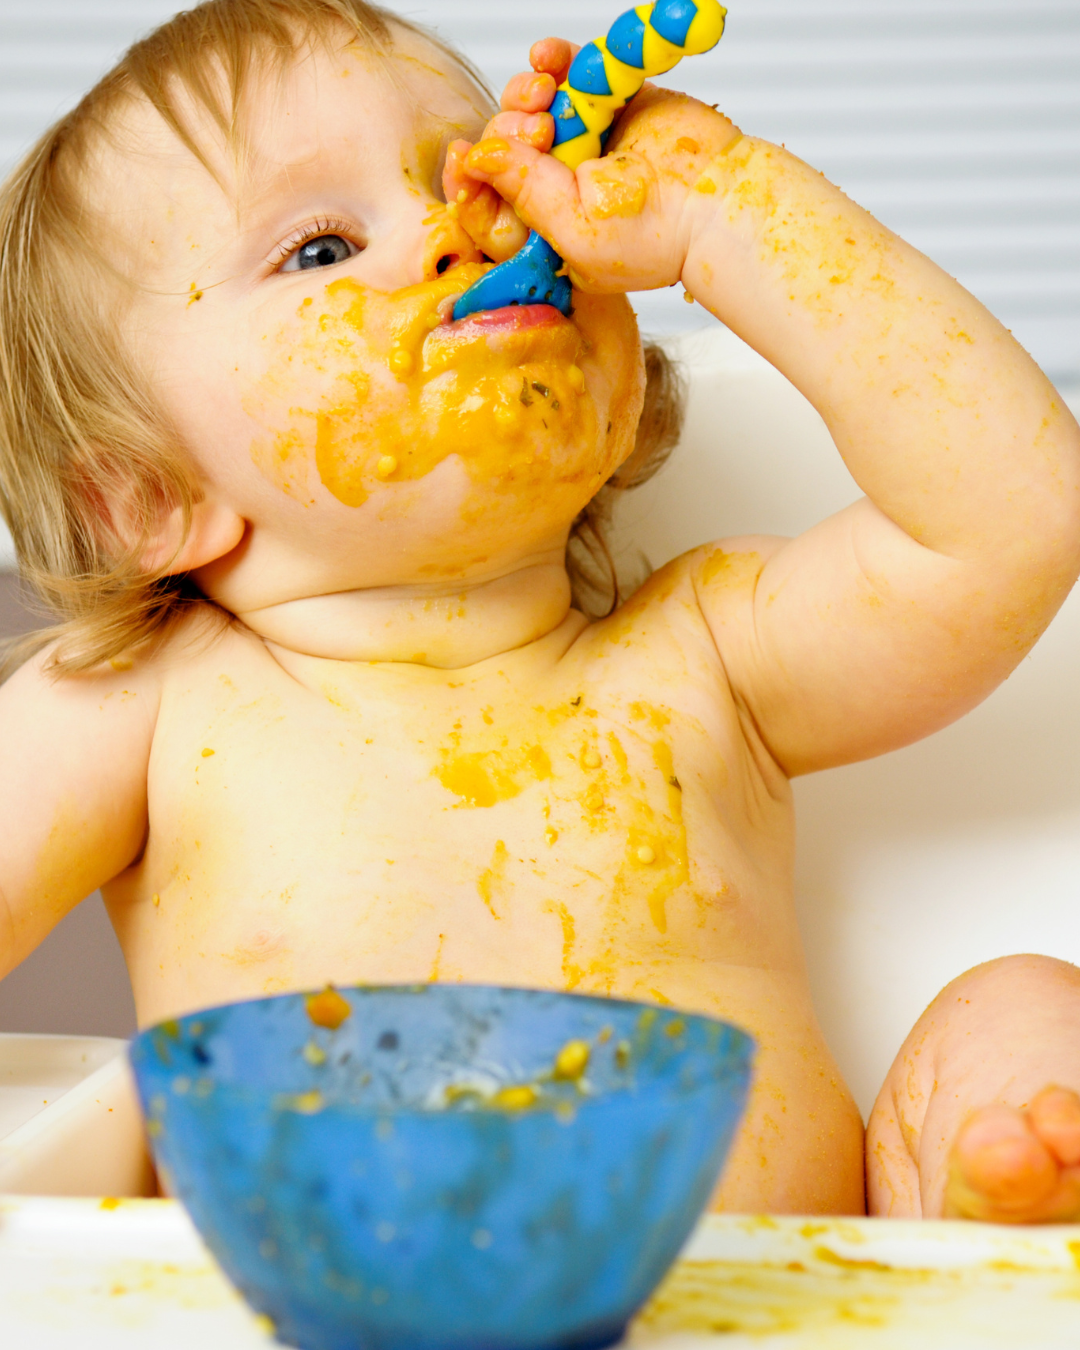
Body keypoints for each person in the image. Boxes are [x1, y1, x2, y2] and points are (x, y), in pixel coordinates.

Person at [1, 0, 1078, 1220]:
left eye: (486, 192)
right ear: (147, 492)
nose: (451, 232)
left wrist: (728, 209)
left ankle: (1002, 1240)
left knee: (1022, 1010)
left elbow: (1013, 519)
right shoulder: (148, 706)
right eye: (319, 247)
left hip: (784, 1308)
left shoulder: (708, 653)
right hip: (337, 1312)